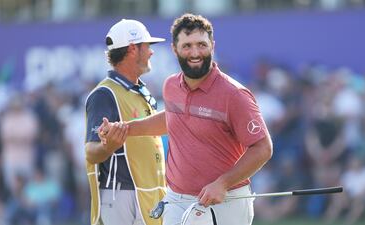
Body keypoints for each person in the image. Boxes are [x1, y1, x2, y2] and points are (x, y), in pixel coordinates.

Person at [99, 13, 273, 225]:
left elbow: (263, 148)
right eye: (187, 45)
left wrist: (223, 183)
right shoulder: (171, 86)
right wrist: (124, 129)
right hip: (176, 199)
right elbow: (173, 119)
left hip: (225, 201)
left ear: (212, 46)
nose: (195, 52)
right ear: (175, 49)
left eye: (201, 44)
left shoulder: (234, 95)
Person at [84, 19, 167, 225]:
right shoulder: (104, 94)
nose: (151, 52)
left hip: (147, 194)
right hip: (121, 196)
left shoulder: (141, 91)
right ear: (132, 49)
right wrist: (108, 146)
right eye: (147, 46)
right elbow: (91, 152)